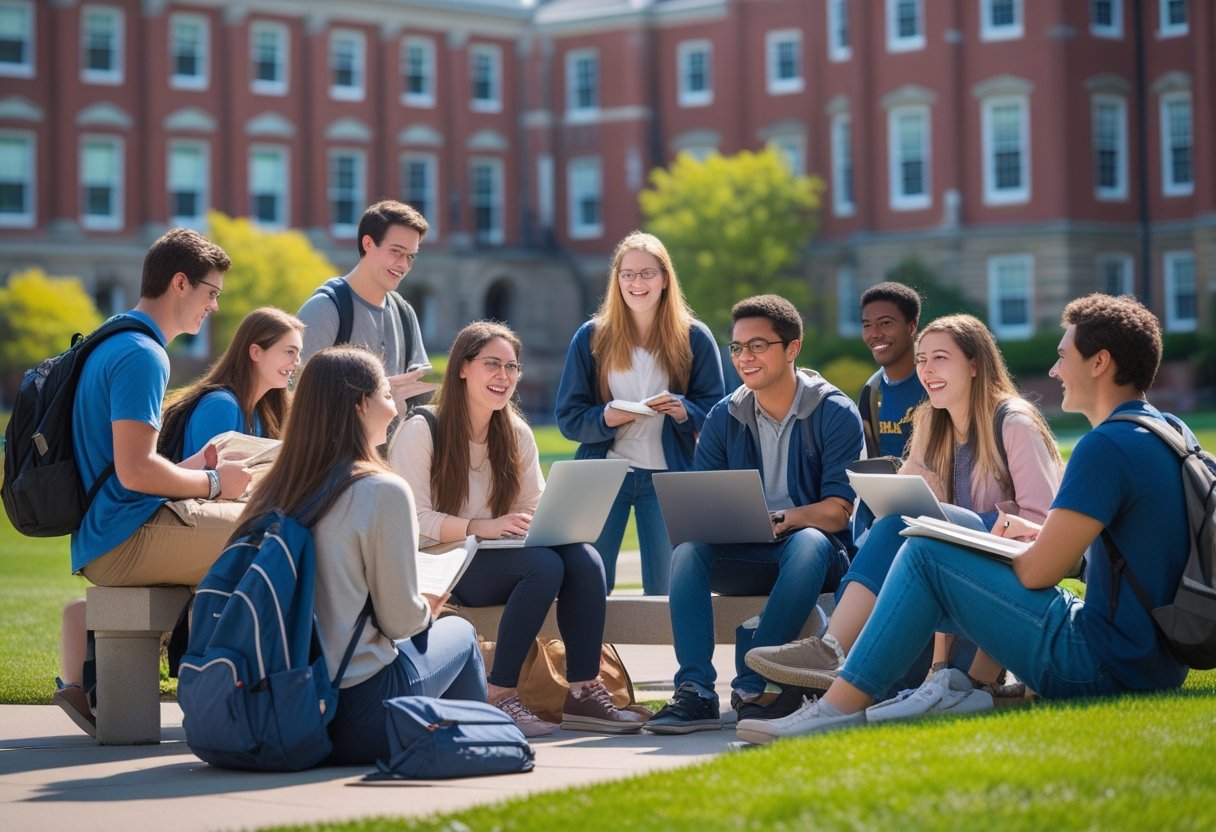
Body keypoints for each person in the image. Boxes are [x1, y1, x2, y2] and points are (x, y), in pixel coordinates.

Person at [737, 294, 1194, 743]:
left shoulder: (1105, 447)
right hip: (1150, 660)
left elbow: (1041, 571)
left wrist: (968, 552)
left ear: (1100, 362)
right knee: (924, 543)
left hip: (1098, 662)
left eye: (1062, 356)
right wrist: (1022, 539)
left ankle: (835, 707)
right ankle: (940, 684)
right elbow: (1096, 557)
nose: (1054, 370)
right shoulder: (1165, 430)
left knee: (923, 551)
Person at [745, 314, 1062, 701]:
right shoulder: (931, 423)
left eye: (940, 358)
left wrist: (964, 521)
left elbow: (1044, 525)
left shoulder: (1014, 423)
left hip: (1000, 571)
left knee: (901, 525)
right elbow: (910, 508)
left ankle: (832, 648)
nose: (927, 371)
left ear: (975, 364)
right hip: (944, 570)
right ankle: (835, 660)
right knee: (908, 683)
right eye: (922, 359)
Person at [390, 321, 645, 737]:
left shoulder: (515, 433)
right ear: (462, 368)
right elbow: (412, 524)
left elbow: (532, 506)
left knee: (583, 558)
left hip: (498, 560)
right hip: (442, 564)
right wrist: (481, 527)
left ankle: (582, 691)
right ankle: (499, 693)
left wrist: (550, 522)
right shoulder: (423, 430)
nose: (504, 377)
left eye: (512, 367)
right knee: (543, 566)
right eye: (492, 365)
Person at [232, 346, 486, 765]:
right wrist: (428, 608)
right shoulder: (381, 490)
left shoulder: (272, 488)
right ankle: (476, 750)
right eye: (388, 394)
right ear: (361, 404)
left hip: (277, 707)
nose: (396, 407)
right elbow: (400, 620)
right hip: (357, 717)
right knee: (459, 635)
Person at [54, 228, 253, 736]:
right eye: (211, 293)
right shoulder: (144, 355)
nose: (213, 306)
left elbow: (124, 466)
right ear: (181, 284)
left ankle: (96, 670)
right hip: (125, 536)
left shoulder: (115, 336)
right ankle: (240, 702)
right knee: (275, 535)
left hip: (107, 532)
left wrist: (189, 467)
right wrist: (211, 482)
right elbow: (136, 471)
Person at [644, 295, 864, 734]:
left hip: (817, 558)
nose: (746, 357)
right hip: (746, 553)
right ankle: (696, 692)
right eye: (738, 348)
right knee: (688, 550)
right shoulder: (725, 415)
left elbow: (839, 512)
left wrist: (782, 519)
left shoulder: (834, 412)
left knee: (809, 542)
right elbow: (705, 499)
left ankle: (753, 681)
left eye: (758, 345)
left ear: (792, 348)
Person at [555, 231, 724, 594]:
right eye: (628, 273)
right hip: (604, 477)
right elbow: (569, 417)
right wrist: (606, 418)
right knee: (590, 586)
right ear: (616, 280)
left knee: (667, 591)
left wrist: (682, 410)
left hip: (668, 479)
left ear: (665, 279)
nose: (637, 282)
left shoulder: (694, 337)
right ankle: (594, 653)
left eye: (647, 273)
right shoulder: (591, 337)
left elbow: (714, 411)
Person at [296, 200, 435, 418]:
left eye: (411, 256)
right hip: (337, 451)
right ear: (368, 244)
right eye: (396, 251)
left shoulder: (405, 313)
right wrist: (378, 394)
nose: (403, 265)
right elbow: (296, 398)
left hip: (392, 451)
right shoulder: (324, 309)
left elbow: (420, 396)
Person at [159, 306, 304, 460]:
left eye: (298, 353)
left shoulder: (261, 413)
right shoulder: (221, 405)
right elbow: (214, 478)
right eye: (290, 352)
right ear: (256, 352)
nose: (297, 362)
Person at [857, 281, 926, 460]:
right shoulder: (871, 392)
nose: (875, 334)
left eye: (885, 323)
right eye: (867, 325)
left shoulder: (934, 384)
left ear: (912, 327)